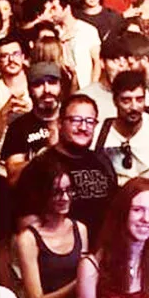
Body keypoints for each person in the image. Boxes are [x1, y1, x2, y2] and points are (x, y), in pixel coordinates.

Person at [10, 151, 90, 298]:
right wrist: (81, 282)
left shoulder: (80, 229)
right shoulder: (28, 239)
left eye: (69, 190)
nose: (65, 198)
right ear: (42, 194)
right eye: (57, 192)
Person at [45, 93, 121, 239]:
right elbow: (28, 222)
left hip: (102, 248)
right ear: (60, 123)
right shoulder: (42, 165)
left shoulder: (102, 161)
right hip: (62, 249)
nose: (83, 127)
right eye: (76, 120)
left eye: (90, 121)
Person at [96, 69, 149, 183]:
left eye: (139, 100)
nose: (134, 107)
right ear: (115, 101)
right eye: (126, 101)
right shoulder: (100, 133)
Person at [0, 62, 66, 183]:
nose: (47, 90)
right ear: (30, 90)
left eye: (52, 82)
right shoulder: (18, 127)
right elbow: (13, 178)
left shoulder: (74, 121)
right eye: (38, 84)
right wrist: (48, 153)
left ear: (60, 86)